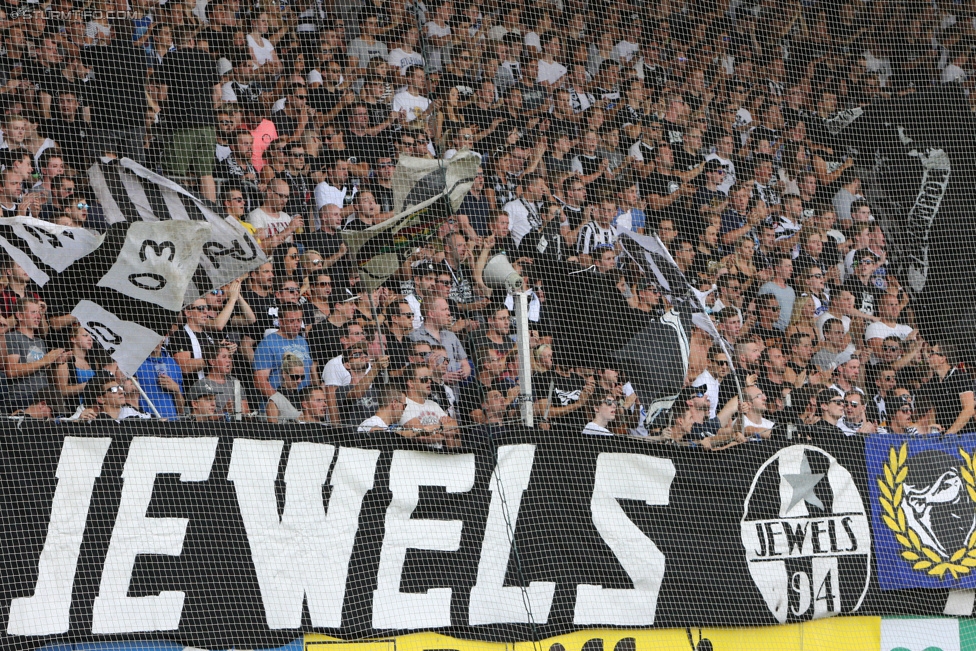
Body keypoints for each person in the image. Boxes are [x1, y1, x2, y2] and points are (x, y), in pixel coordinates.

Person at [4, 298, 66, 412]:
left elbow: (41, 370)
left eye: (39, 312)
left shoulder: (40, 341)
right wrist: (46, 360)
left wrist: (54, 362)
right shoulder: (11, 337)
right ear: (20, 316)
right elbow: (11, 370)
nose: (38, 316)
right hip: (22, 399)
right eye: (33, 312)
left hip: (43, 398)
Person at [253, 304, 313, 400]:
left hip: (303, 403)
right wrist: (281, 402)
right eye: (291, 321)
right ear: (280, 321)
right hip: (279, 406)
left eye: (299, 320)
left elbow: (309, 373)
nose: (296, 324)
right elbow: (260, 380)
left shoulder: (303, 341)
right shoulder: (268, 343)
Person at [410, 297, 471, 386]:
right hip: (430, 391)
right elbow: (412, 369)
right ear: (431, 314)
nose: (449, 313)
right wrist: (441, 378)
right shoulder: (415, 337)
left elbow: (464, 362)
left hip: (455, 393)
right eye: (444, 310)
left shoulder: (451, 336)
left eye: (448, 309)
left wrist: (465, 371)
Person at [917, 343, 975, 435]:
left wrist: (949, 434)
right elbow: (933, 409)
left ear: (942, 359)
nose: (929, 355)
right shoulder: (933, 382)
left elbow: (968, 408)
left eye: (932, 353)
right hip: (943, 438)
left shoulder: (960, 377)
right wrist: (934, 429)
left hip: (965, 436)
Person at [399, 363, 460, 448]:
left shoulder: (433, 404)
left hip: (441, 455)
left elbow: (455, 426)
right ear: (411, 383)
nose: (429, 381)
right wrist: (446, 433)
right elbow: (422, 436)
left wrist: (437, 426)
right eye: (424, 379)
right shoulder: (404, 405)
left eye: (430, 378)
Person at [192, 344, 249, 417]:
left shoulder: (235, 382)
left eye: (229, 357)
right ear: (212, 362)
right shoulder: (202, 385)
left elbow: (245, 412)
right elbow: (202, 419)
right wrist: (224, 411)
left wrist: (245, 414)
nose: (228, 360)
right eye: (224, 357)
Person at [265, 353, 306, 423]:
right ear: (284, 374)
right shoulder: (274, 400)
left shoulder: (302, 397)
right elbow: (272, 430)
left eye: (302, 377)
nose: (299, 381)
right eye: (295, 377)